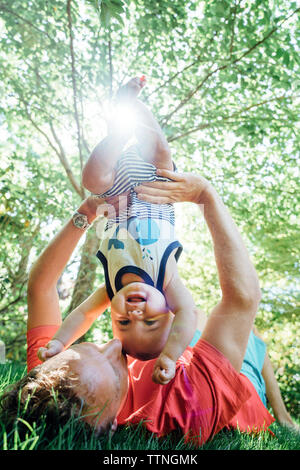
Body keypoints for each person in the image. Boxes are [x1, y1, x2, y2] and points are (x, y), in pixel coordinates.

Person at [1, 170, 297, 444]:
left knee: (195, 322)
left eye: (90, 347)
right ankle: (280, 415)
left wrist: (88, 212)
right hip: (241, 401)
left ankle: (280, 409)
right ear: (111, 424)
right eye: (118, 376)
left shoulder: (54, 377)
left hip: (174, 355)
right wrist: (206, 196)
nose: (116, 346)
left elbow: (40, 286)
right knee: (247, 334)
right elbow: (242, 298)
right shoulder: (189, 406)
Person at [38, 77, 198, 385]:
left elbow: (83, 316)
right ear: (167, 309)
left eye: (123, 321)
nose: (136, 314)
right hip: (155, 184)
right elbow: (189, 313)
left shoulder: (111, 289)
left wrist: (60, 343)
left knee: (92, 179)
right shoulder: (167, 282)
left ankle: (118, 132)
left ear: (112, 313)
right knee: (160, 151)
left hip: (115, 196)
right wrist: (170, 355)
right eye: (151, 321)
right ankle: (133, 107)